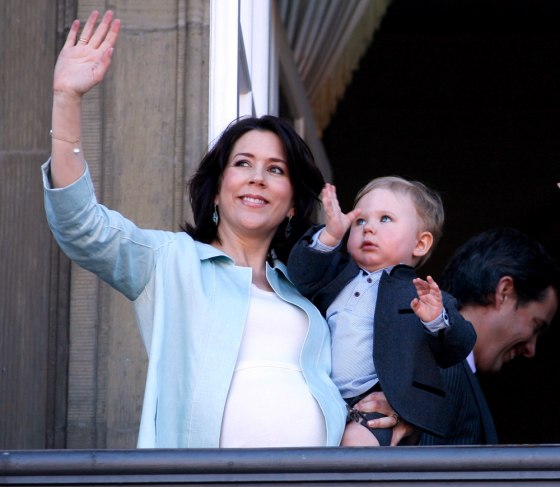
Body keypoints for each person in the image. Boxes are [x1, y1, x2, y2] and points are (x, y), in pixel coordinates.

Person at [43, 9, 353, 448]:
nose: (257, 178)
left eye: (276, 169)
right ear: (216, 190)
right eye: (242, 164)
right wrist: (67, 99)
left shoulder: (305, 288)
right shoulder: (169, 261)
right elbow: (80, 226)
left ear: (291, 206)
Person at [287, 177, 476, 446]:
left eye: (385, 219)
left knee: (356, 447)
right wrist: (330, 235)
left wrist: (435, 320)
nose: (369, 229)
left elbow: (458, 347)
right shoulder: (334, 275)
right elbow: (301, 274)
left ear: (420, 244)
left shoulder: (421, 296)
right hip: (317, 396)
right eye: (360, 221)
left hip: (372, 403)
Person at [419, 227, 560, 445]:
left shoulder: (448, 367)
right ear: (504, 292)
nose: (531, 349)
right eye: (536, 325)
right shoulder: (437, 366)